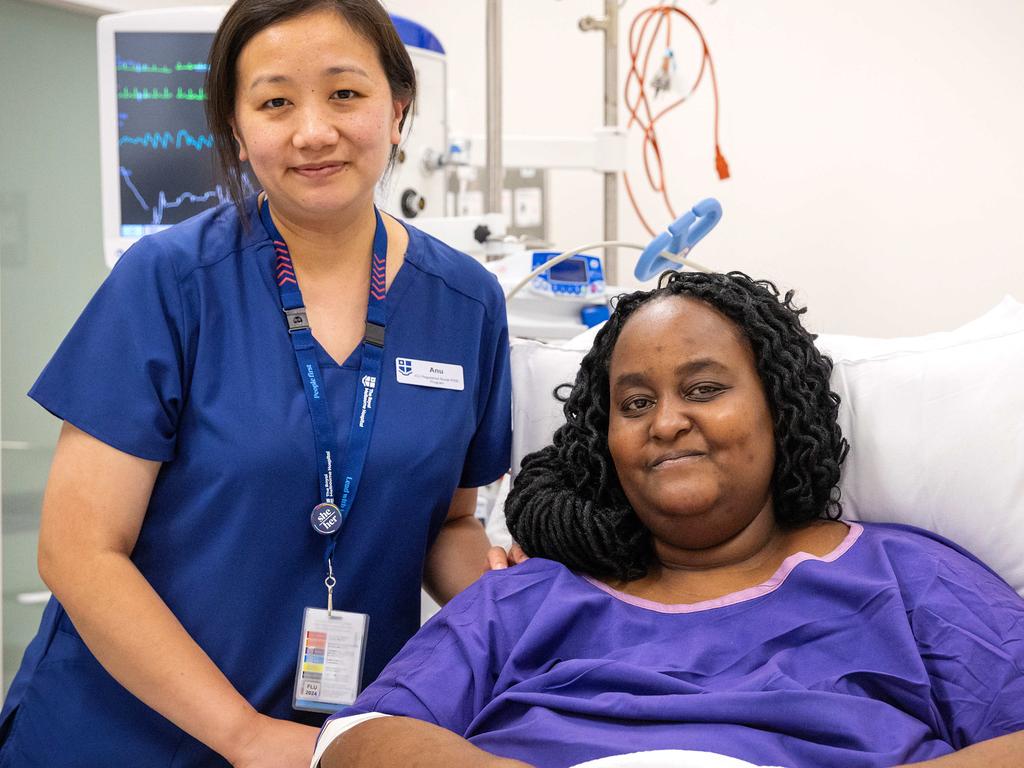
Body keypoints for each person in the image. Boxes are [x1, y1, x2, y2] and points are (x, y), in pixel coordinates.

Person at [0, 1, 512, 766]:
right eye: (276, 102)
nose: (313, 131)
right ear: (239, 131)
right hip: (122, 735)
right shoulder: (172, 282)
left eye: (345, 93)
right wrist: (245, 736)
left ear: (398, 109)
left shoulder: (466, 303)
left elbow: (448, 523)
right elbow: (78, 551)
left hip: (326, 742)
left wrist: (530, 618)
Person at [311, 271, 1024, 768]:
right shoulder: (531, 596)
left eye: (704, 389)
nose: (668, 423)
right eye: (635, 403)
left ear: (781, 409)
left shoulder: (904, 578)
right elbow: (359, 740)